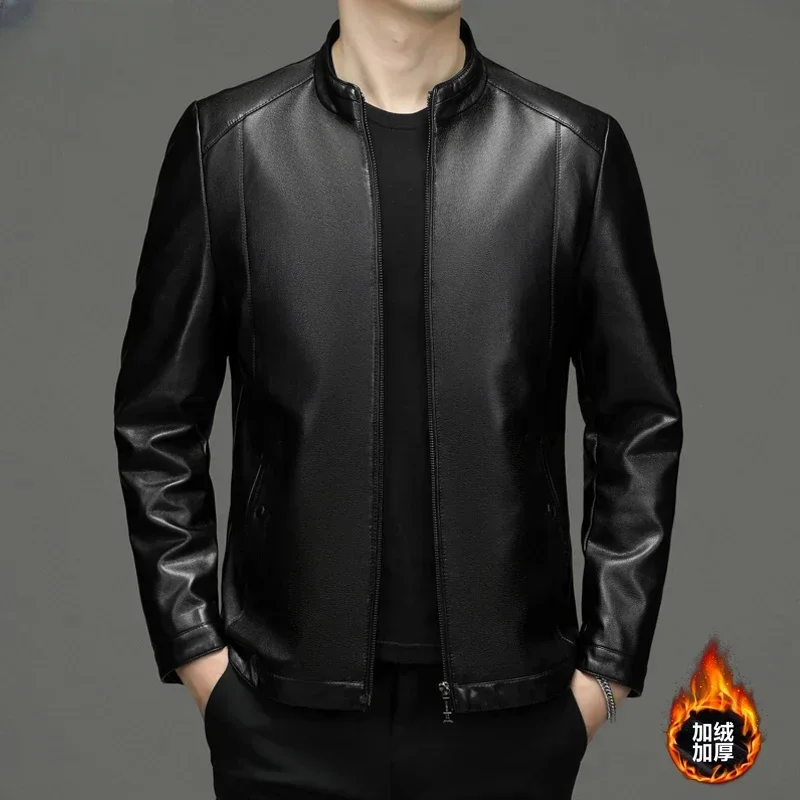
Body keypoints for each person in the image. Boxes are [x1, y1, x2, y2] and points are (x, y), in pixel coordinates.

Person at [112, 1, 683, 797]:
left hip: (511, 721)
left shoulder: (570, 151)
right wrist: (200, 658)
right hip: (282, 714)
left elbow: (639, 424)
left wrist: (606, 679)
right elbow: (156, 421)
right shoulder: (232, 145)